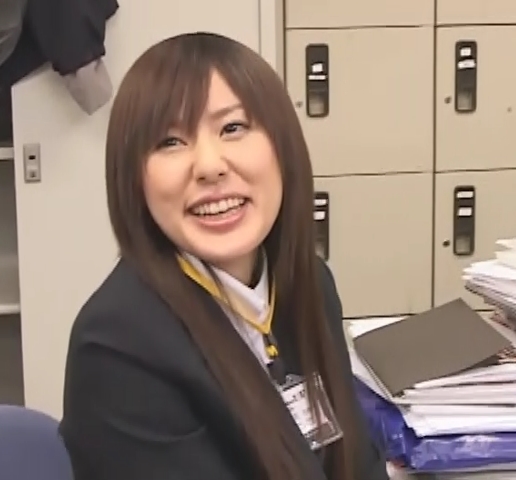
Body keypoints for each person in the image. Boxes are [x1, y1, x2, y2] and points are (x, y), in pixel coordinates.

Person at [59, 32, 389, 480]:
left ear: (283, 147)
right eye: (170, 141)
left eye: (233, 128)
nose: (210, 166)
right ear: (133, 177)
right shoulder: (117, 347)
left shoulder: (307, 281)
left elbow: (356, 462)